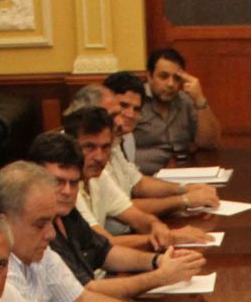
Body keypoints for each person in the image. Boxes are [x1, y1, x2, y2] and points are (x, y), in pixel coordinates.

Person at [0, 161, 204, 302]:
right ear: (1, 224)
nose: (51, 234)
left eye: (51, 221)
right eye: (40, 224)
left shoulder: (38, 253)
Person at [26, 131, 207, 299]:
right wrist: (161, 277)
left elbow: (106, 252)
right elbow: (85, 293)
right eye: (57, 181)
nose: (67, 191)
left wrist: (158, 260)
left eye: (73, 183)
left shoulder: (67, 213)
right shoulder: (38, 230)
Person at [61, 105, 211, 249]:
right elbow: (104, 244)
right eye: (89, 147)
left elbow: (137, 217)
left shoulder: (100, 176)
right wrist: (171, 237)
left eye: (105, 147)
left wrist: (156, 225)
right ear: (70, 146)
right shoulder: (65, 187)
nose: (99, 157)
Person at [74, 76, 219, 219]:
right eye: (118, 110)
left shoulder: (115, 142)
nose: (126, 116)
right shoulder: (84, 152)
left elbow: (138, 183)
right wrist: (184, 200)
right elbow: (123, 207)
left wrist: (184, 188)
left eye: (136, 109)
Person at [133, 47, 221, 175]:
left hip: (184, 173)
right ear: (149, 76)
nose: (171, 84)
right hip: (144, 176)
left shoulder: (185, 101)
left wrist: (200, 99)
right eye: (163, 76)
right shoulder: (134, 101)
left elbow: (210, 143)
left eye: (176, 78)